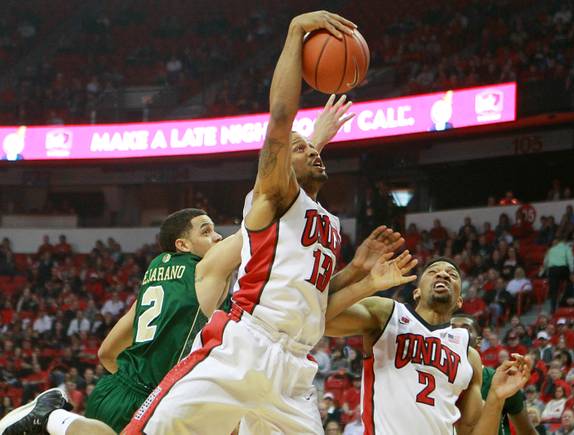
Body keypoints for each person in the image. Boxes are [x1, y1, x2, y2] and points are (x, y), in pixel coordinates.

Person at [119, 12, 416, 435]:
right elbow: (280, 120)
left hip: (295, 369)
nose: (314, 152)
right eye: (301, 149)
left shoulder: (328, 222)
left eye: (314, 149)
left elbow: (317, 306)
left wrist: (363, 274)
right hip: (244, 347)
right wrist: (296, 32)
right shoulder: (273, 198)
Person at [0, 208, 243, 434]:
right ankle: (54, 419)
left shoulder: (156, 281)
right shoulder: (202, 272)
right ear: (182, 244)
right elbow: (254, 234)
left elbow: (107, 352)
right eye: (206, 231)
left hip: (113, 390)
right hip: (146, 399)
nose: (218, 237)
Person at [325, 257, 532, 434]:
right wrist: (367, 283)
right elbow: (320, 319)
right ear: (416, 292)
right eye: (433, 271)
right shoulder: (388, 314)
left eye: (452, 274)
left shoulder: (468, 355)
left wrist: (496, 397)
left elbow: (471, 431)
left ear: (460, 300)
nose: (442, 275)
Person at [451, 313, 538, 435]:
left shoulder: (500, 379)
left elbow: (527, 431)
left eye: (466, 329)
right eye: (452, 328)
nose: (458, 333)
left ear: (479, 341)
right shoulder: (433, 379)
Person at [541, 235, 574, 314]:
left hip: (552, 270)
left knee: (554, 291)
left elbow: (546, 261)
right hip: (563, 269)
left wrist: (544, 271)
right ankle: (566, 301)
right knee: (569, 285)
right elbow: (570, 260)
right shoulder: (567, 248)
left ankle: (553, 309)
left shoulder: (551, 249)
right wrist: (572, 271)